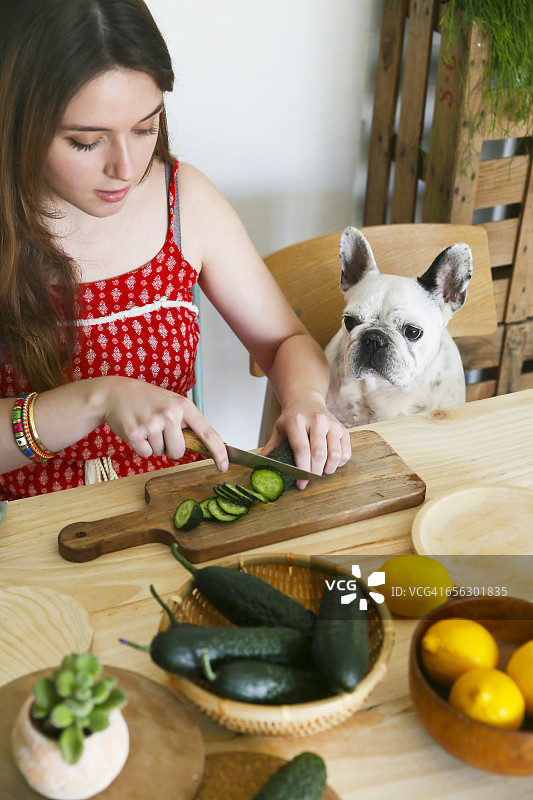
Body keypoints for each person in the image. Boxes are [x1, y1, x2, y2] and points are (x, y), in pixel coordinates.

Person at [0, 0, 351, 502]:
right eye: (84, 141)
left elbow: (282, 343)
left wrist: (305, 399)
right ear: (16, 120)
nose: (126, 167)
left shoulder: (184, 200)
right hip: (24, 532)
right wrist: (96, 398)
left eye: (146, 128)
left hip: (171, 509)